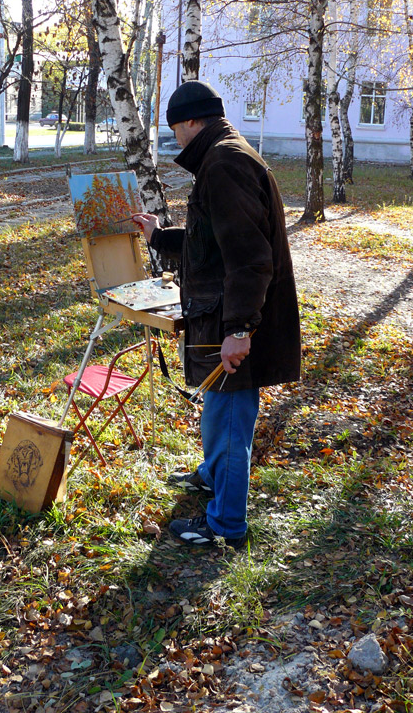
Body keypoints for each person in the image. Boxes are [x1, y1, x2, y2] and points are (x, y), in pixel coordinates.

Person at [133, 80, 300, 549]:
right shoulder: (222, 156)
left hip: (233, 320)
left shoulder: (224, 163)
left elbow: (249, 258)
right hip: (222, 316)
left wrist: (240, 330)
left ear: (190, 121)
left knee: (229, 420)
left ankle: (226, 525)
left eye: (175, 129)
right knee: (218, 412)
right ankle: (211, 477)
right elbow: (214, 239)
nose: (176, 139)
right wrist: (161, 237)